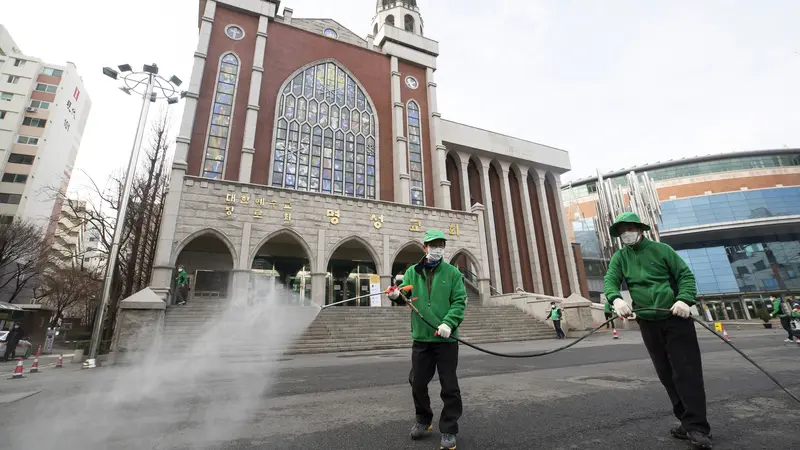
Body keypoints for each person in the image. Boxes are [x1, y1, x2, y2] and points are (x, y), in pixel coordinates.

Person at [603, 212, 713, 449]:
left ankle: (697, 427)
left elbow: (685, 275)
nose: (626, 234)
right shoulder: (620, 258)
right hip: (647, 320)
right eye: (622, 231)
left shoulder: (662, 250)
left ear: (640, 228)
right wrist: (615, 299)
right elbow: (611, 281)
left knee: (686, 372)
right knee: (666, 374)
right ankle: (685, 421)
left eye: (630, 228)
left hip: (675, 317)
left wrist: (685, 299)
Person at [387, 229, 466, 450]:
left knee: (449, 386)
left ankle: (449, 429)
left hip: (446, 340)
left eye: (441, 245)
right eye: (433, 245)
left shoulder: (452, 273)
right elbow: (406, 295)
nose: (437, 249)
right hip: (422, 338)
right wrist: (397, 296)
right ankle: (424, 419)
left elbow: (459, 302)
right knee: (417, 382)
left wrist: (448, 323)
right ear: (425, 247)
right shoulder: (412, 271)